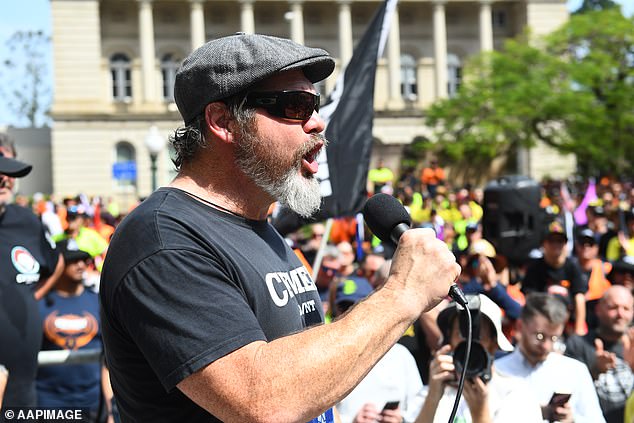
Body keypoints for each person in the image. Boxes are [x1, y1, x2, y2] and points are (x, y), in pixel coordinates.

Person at [99, 33, 460, 423]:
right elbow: (262, 402)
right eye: (295, 106)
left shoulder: (260, 228)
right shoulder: (165, 240)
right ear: (223, 122)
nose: (318, 123)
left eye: (315, 104)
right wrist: (402, 294)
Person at [0, 134, 64, 408]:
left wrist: (31, 296)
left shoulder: (27, 221)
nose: (4, 177)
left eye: (9, 168)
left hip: (23, 384)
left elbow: (56, 262)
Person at [415, 294, 542, 423]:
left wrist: (480, 414)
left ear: (494, 344)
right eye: (460, 334)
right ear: (449, 341)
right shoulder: (432, 392)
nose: (468, 343)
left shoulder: (517, 394)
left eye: (478, 336)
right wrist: (432, 398)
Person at [496, 293, 605, 423]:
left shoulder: (575, 371)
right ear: (520, 326)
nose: (547, 346)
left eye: (554, 338)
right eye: (540, 336)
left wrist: (573, 420)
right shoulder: (498, 371)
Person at [37, 239, 114, 421]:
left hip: (92, 402)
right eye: (72, 260)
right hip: (48, 402)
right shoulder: (39, 303)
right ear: (57, 266)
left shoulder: (98, 301)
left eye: (83, 260)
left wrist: (110, 410)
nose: (80, 265)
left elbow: (109, 360)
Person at [333, 278, 424, 423]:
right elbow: (317, 414)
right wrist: (350, 420)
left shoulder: (400, 355)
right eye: (344, 308)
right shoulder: (328, 359)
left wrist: (402, 418)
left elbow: (419, 405)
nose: (350, 315)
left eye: (357, 307)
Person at [565, 286, 634, 423]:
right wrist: (595, 371)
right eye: (613, 307)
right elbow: (565, 391)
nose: (620, 314)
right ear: (598, 310)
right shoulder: (578, 344)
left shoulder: (632, 347)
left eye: (626, 309)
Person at [522, 221, 588, 335]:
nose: (556, 245)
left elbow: (580, 298)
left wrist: (578, 330)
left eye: (560, 241)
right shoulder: (535, 268)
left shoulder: (573, 266)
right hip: (543, 318)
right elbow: (530, 298)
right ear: (543, 244)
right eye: (551, 241)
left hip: (568, 322)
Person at [573, 228, 612, 330]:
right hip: (574, 318)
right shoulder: (569, 268)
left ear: (596, 248)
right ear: (577, 246)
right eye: (582, 243)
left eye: (590, 244)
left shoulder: (607, 269)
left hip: (599, 318)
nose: (586, 247)